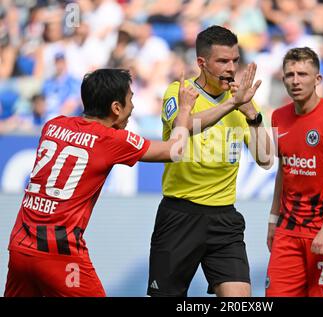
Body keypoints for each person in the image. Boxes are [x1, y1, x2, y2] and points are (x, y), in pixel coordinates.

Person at [3, 68, 198, 297]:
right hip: (60, 254)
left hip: (19, 248)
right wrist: (184, 109)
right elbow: (174, 150)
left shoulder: (53, 126)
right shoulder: (110, 139)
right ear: (116, 108)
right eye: (130, 99)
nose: (133, 106)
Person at [147, 25, 273, 297]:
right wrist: (232, 105)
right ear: (202, 63)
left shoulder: (244, 101)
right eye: (223, 61)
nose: (231, 68)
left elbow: (266, 159)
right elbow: (185, 126)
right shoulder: (181, 93)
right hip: (180, 214)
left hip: (224, 218)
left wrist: (252, 115)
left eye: (235, 61)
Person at [266, 47, 323, 297]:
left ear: (318, 79)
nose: (295, 81)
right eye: (290, 75)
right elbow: (283, 172)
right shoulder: (278, 117)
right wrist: (273, 220)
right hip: (288, 230)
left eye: (303, 74)